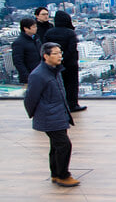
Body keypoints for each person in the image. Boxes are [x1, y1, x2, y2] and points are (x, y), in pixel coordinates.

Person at [24, 43, 79, 187]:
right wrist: (36, 115)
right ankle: (63, 175)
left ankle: (56, 174)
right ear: (46, 56)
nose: (60, 55)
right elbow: (30, 98)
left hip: (58, 114)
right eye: (55, 53)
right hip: (49, 116)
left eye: (60, 52)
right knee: (64, 145)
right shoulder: (38, 75)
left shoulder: (55, 71)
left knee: (56, 146)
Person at [43, 10, 86, 112]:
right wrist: (63, 59)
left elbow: (45, 47)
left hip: (54, 64)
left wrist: (55, 60)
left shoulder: (49, 32)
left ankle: (61, 105)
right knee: (71, 84)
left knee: (58, 85)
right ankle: (72, 105)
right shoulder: (70, 33)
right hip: (70, 64)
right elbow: (71, 49)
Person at [12, 17, 41, 84]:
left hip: (40, 73)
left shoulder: (36, 39)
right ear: (25, 28)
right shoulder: (19, 42)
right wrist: (27, 76)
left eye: (36, 26)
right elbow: (18, 62)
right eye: (33, 27)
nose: (36, 28)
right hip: (30, 76)